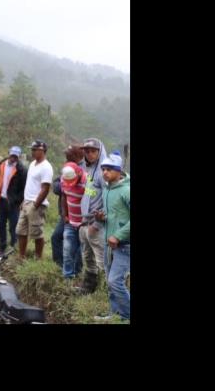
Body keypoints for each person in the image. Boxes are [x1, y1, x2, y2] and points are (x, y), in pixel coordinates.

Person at [95, 154, 130, 321]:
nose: (104, 172)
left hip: (125, 244)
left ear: (118, 171)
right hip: (109, 243)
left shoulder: (127, 190)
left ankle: (127, 315)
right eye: (103, 169)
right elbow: (115, 215)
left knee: (115, 281)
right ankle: (115, 314)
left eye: (109, 169)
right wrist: (102, 218)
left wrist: (118, 235)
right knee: (110, 281)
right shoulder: (107, 190)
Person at [78, 137, 109, 295]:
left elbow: (107, 199)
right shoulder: (88, 169)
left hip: (96, 224)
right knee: (87, 256)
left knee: (101, 258)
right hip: (85, 221)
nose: (89, 154)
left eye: (93, 151)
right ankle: (89, 286)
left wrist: (96, 224)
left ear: (100, 151)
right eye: (87, 151)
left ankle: (105, 292)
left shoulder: (104, 172)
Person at [17, 140, 53, 260]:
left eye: (34, 150)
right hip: (27, 201)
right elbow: (30, 184)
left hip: (36, 204)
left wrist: (36, 205)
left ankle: (38, 258)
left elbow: (45, 188)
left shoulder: (46, 167)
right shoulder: (33, 164)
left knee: (37, 233)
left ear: (42, 151)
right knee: (21, 230)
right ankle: (21, 257)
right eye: (32, 149)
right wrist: (24, 200)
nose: (32, 152)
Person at [0, 146, 27, 254]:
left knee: (13, 226)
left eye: (16, 156)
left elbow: (24, 189)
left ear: (19, 157)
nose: (13, 158)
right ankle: (2, 247)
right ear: (9, 154)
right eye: (12, 155)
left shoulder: (21, 170)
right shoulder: (1, 165)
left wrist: (17, 200)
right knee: (0, 224)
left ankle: (13, 247)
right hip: (2, 200)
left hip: (13, 203)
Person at [60, 156, 87, 280]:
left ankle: (79, 276)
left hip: (84, 223)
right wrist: (64, 215)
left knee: (81, 253)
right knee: (67, 251)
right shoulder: (63, 179)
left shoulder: (88, 181)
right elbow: (64, 197)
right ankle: (68, 278)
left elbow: (93, 199)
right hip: (70, 222)